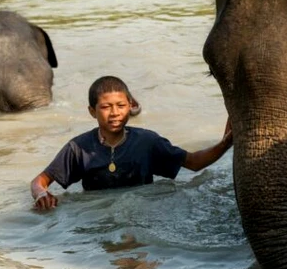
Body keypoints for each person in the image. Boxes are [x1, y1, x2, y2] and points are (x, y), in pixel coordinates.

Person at [31, 76, 232, 211]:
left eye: (121, 106)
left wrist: (226, 143)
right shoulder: (79, 148)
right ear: (92, 111)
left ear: (131, 107)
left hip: (143, 209)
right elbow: (40, 181)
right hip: (98, 214)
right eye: (106, 107)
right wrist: (42, 194)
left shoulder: (147, 142)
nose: (115, 113)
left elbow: (193, 162)